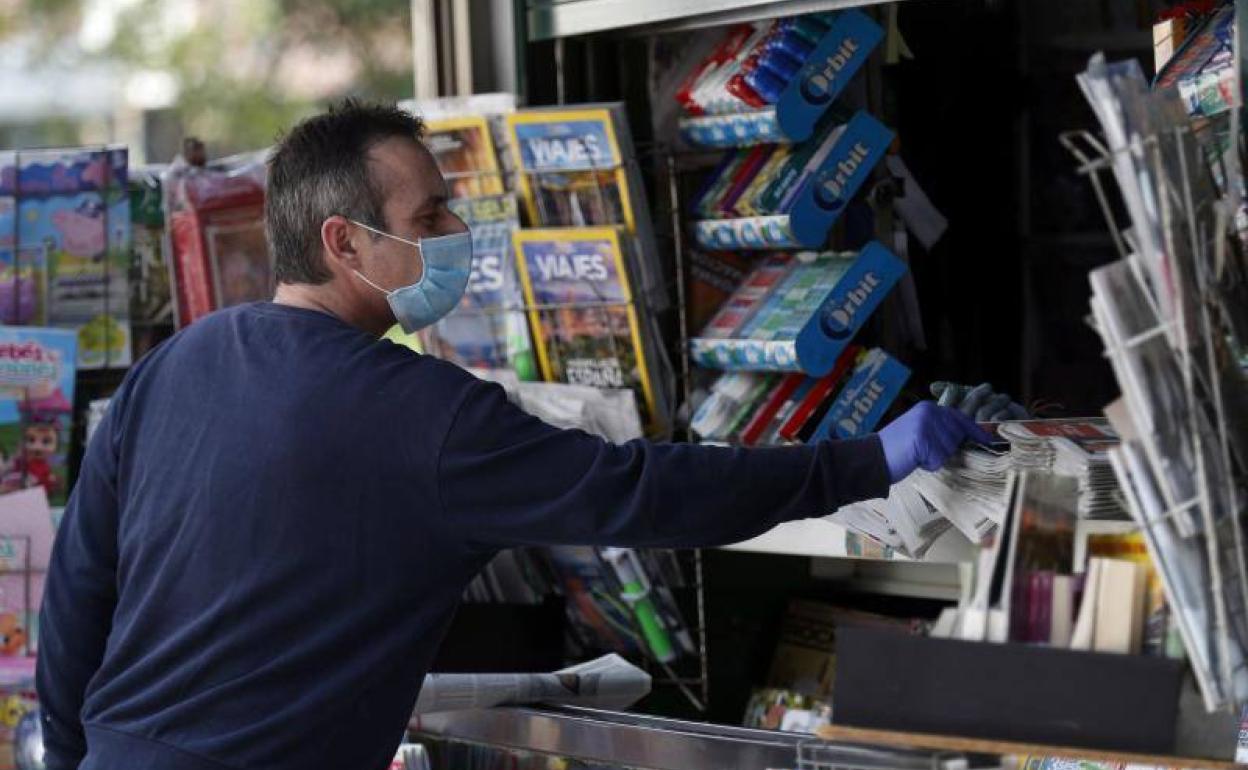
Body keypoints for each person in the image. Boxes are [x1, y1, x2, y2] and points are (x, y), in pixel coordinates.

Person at [37, 100, 990, 770]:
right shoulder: (426, 416)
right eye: (431, 216)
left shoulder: (178, 365)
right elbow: (648, 493)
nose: (459, 230)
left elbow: (78, 591)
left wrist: (79, 758)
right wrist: (866, 461)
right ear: (344, 242)